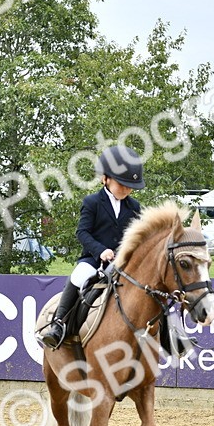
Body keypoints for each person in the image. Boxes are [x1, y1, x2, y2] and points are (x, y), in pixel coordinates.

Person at [37, 145, 144, 349]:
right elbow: (82, 232)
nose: (127, 189)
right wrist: (100, 250)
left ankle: (171, 336)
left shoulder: (134, 207)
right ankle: (59, 324)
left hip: (124, 262)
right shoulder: (92, 202)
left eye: (131, 186)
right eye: (123, 184)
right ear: (105, 178)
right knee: (78, 275)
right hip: (94, 260)